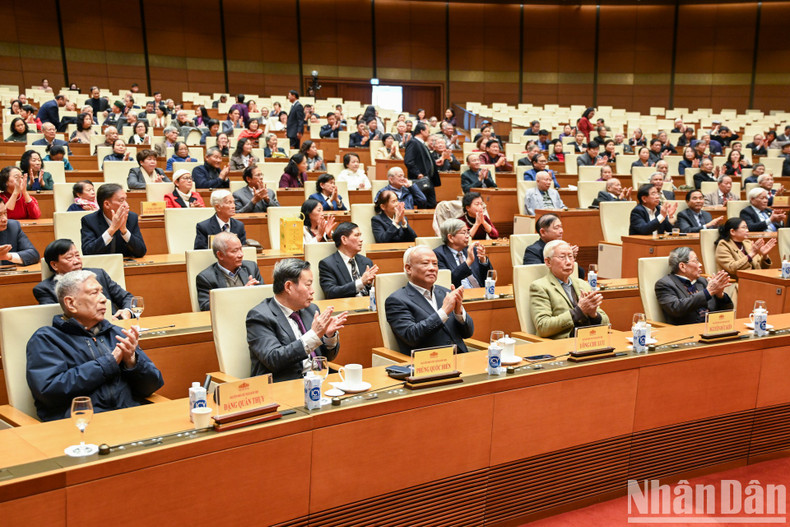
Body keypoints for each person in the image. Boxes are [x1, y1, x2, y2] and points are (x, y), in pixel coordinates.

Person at [26, 269, 163, 421]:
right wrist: (109, 362)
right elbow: (49, 391)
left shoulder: (116, 333)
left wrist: (132, 362)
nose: (104, 299)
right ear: (71, 303)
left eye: (102, 292)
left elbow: (152, 385)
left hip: (127, 417)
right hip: (80, 424)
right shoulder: (47, 339)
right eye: (94, 293)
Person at [246, 258, 346, 381]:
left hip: (318, 381)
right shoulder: (259, 316)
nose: (313, 291)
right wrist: (313, 335)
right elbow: (274, 359)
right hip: (283, 386)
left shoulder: (311, 309)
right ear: (288, 286)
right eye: (308, 285)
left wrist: (328, 336)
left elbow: (327, 358)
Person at [385, 246, 474, 356]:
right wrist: (444, 311)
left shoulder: (446, 292)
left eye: (435, 264)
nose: (432, 268)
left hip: (460, 359)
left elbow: (468, 333)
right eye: (425, 263)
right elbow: (411, 336)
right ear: (408, 268)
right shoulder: (397, 300)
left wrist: (458, 312)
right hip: (429, 363)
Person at [33, 239, 135, 317]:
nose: (77, 261)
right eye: (69, 258)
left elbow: (127, 297)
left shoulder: (98, 274)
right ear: (54, 265)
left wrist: (127, 311)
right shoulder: (45, 289)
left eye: (77, 255)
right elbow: (58, 318)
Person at [529, 240, 609, 340]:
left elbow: (606, 322)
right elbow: (543, 327)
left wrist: (594, 315)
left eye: (571, 257)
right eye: (562, 257)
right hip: (562, 344)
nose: (568, 262)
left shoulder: (583, 284)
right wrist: (579, 311)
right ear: (548, 262)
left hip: (588, 340)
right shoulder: (540, 287)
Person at [655, 247, 733, 325]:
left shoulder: (702, 281)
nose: (700, 264)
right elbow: (676, 309)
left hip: (712, 328)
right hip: (686, 332)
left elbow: (727, 310)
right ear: (682, 266)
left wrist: (720, 295)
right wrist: (708, 292)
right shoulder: (665, 284)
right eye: (696, 261)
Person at [195, 232, 262, 311]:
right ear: (220, 255)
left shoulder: (251, 268)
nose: (241, 254)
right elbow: (206, 307)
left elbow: (264, 296)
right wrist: (242, 293)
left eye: (241, 249)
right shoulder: (206, 278)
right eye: (235, 251)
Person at [81, 183, 146, 258]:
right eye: (121, 201)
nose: (126, 205)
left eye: (126, 200)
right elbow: (87, 252)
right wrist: (112, 229)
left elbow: (141, 251)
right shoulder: (89, 221)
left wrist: (124, 231)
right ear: (107, 204)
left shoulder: (131, 218)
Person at [318, 222, 378, 299]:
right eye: (356, 235)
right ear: (344, 239)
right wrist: (361, 282)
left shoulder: (366, 261)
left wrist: (369, 284)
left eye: (360, 235)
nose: (361, 240)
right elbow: (331, 292)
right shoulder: (327, 264)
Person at [434, 219, 492, 289]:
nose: (468, 236)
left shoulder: (473, 250)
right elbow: (448, 281)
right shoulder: (438, 255)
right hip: (459, 295)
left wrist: (483, 261)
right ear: (450, 237)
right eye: (463, 233)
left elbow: (490, 277)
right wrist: (468, 262)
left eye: (468, 232)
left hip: (480, 292)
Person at [404, 122, 439, 208]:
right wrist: (418, 173)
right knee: (423, 203)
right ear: (422, 131)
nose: (429, 133)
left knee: (431, 204)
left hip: (428, 180)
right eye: (427, 130)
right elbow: (408, 161)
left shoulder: (422, 143)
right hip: (421, 180)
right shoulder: (413, 142)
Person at [0, 201, 39, 265]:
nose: (4, 219)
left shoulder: (13, 227)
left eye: (5, 213)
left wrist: (8, 256)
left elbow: (33, 254)